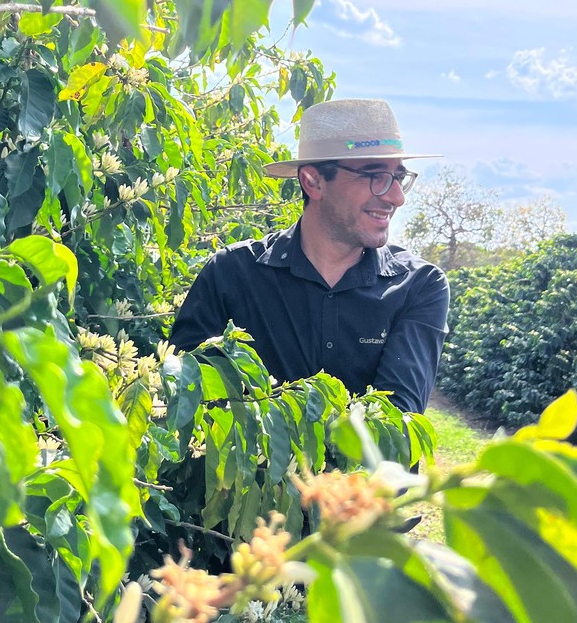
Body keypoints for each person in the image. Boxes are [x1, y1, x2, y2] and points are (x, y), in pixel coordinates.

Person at [170, 98, 450, 414]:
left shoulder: (418, 285)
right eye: (375, 176)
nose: (396, 197)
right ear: (313, 181)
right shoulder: (230, 274)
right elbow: (186, 398)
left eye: (398, 177)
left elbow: (397, 422)